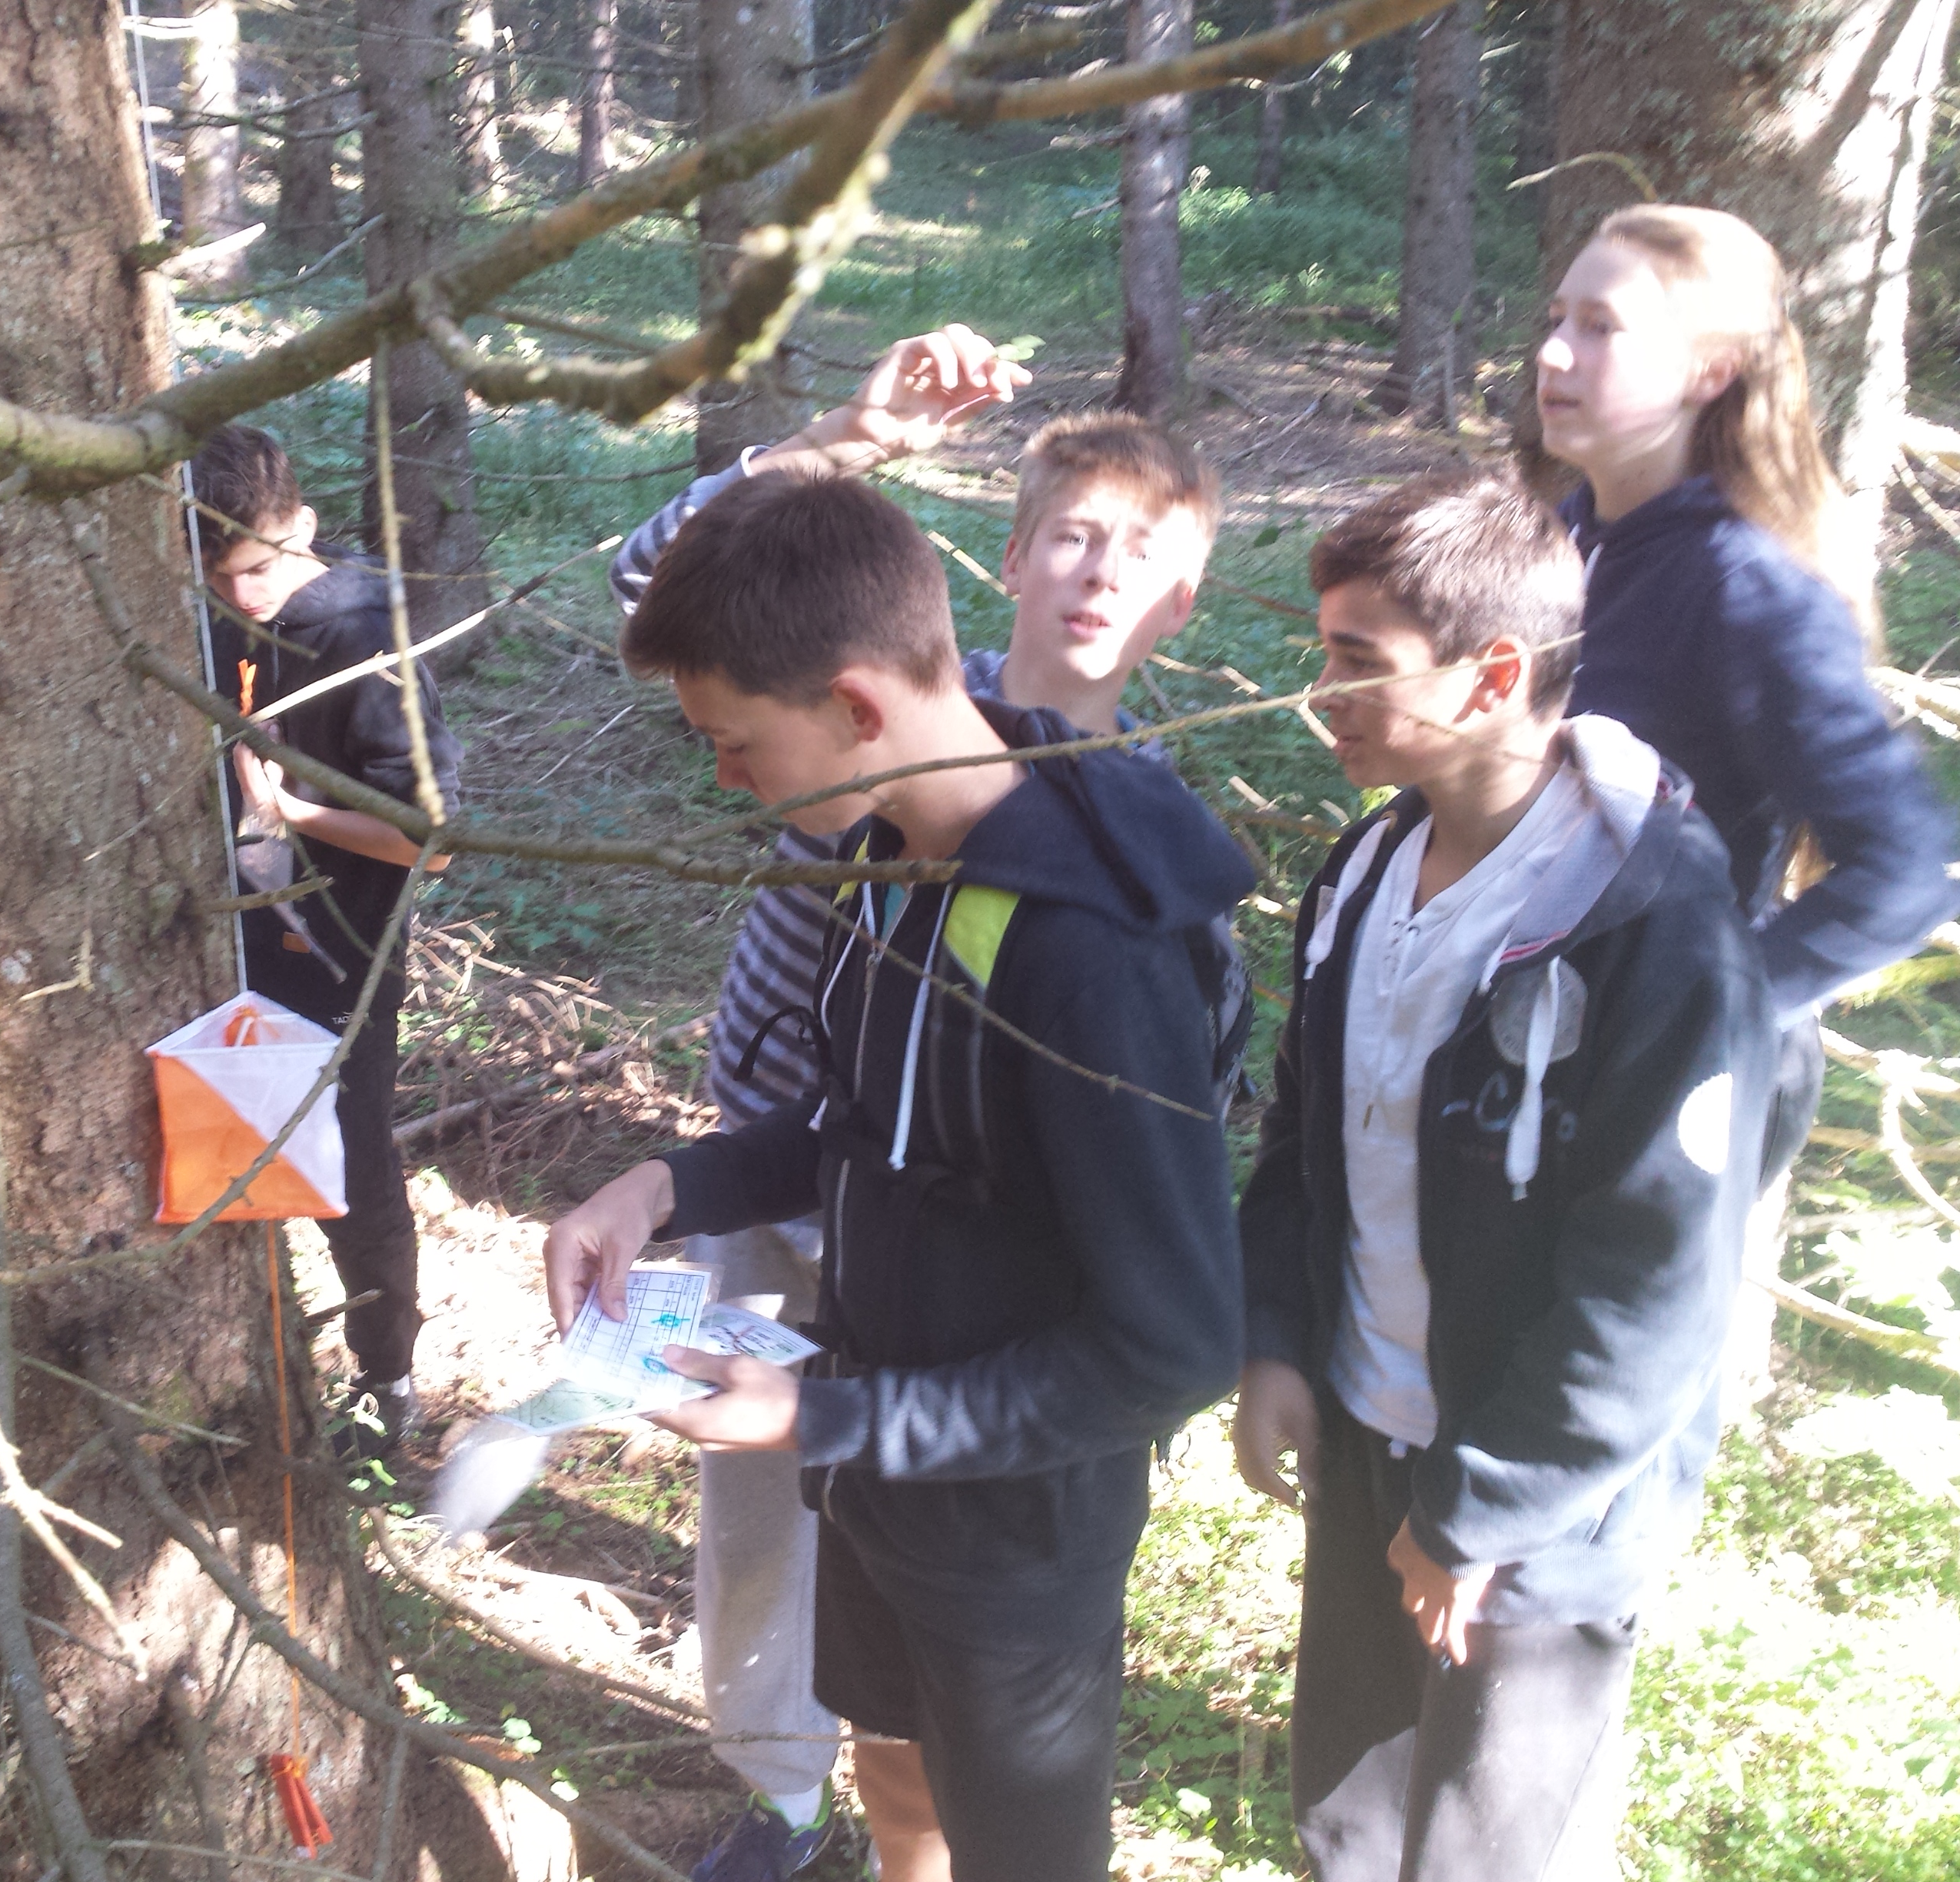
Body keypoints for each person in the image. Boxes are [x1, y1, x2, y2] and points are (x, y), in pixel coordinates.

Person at [547, 467, 1251, 1882]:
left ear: (859, 707)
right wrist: (665, 1187)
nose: (727, 780)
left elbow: (1174, 1348)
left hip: (1013, 1536)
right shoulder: (889, 855)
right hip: (875, 1480)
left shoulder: (1087, 952)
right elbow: (861, 1127)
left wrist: (830, 1414)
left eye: (737, 745)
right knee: (891, 1766)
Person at [1232, 473, 1778, 1880]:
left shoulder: (1656, 926)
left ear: (1490, 676)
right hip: (1371, 1427)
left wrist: (1483, 1508)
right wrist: (1279, 1338)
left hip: (1540, 1500)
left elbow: (1656, 1278)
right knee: (1351, 1820)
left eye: (1357, 660)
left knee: (1485, 1847)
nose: (1323, 695)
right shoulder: (1366, 867)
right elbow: (1304, 1128)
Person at [1533, 204, 1959, 1383]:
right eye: (1557, 318)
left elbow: (1903, 870)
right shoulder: (1573, 537)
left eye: (1601, 326)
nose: (1553, 352)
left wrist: (1709, 1009)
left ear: (1710, 371)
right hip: (1544, 1054)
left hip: (1666, 1092)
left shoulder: (1747, 584)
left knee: (1590, 1414)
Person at [189, 424, 461, 1460]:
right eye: (219, 576)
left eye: (259, 569)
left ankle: (387, 1381)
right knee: (220, 1147)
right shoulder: (210, 607)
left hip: (338, 948)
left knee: (348, 1167)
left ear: (301, 527)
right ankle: (238, 1367)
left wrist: (292, 813)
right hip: (221, 937)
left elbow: (430, 839)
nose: (242, 595)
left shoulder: (360, 633)